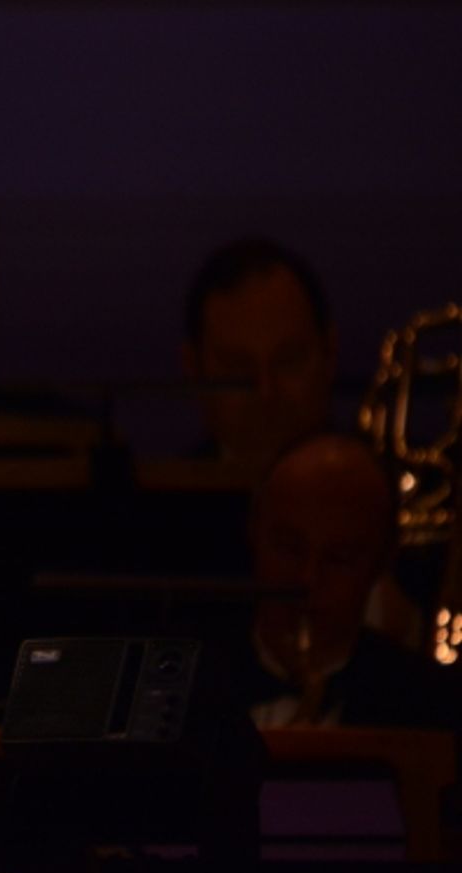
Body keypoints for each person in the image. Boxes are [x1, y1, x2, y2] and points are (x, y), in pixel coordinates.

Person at [241, 432, 457, 728]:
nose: (308, 579)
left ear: (382, 562)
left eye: (339, 558)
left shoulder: (432, 704)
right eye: (289, 548)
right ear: (253, 532)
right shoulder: (187, 678)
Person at [182, 237, 337, 475]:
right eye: (237, 367)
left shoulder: (385, 496)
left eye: (289, 361)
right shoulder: (157, 503)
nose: (266, 392)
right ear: (193, 368)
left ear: (329, 355)